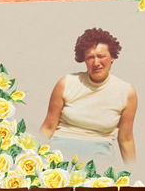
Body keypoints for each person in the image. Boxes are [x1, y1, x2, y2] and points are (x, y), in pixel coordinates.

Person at [39, 27, 137, 167]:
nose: (96, 63)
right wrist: (32, 161)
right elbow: (48, 127)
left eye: (101, 56)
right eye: (90, 57)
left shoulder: (126, 92)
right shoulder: (66, 83)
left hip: (99, 160)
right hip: (58, 157)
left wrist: (133, 173)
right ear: (84, 60)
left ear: (113, 57)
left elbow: (126, 139)